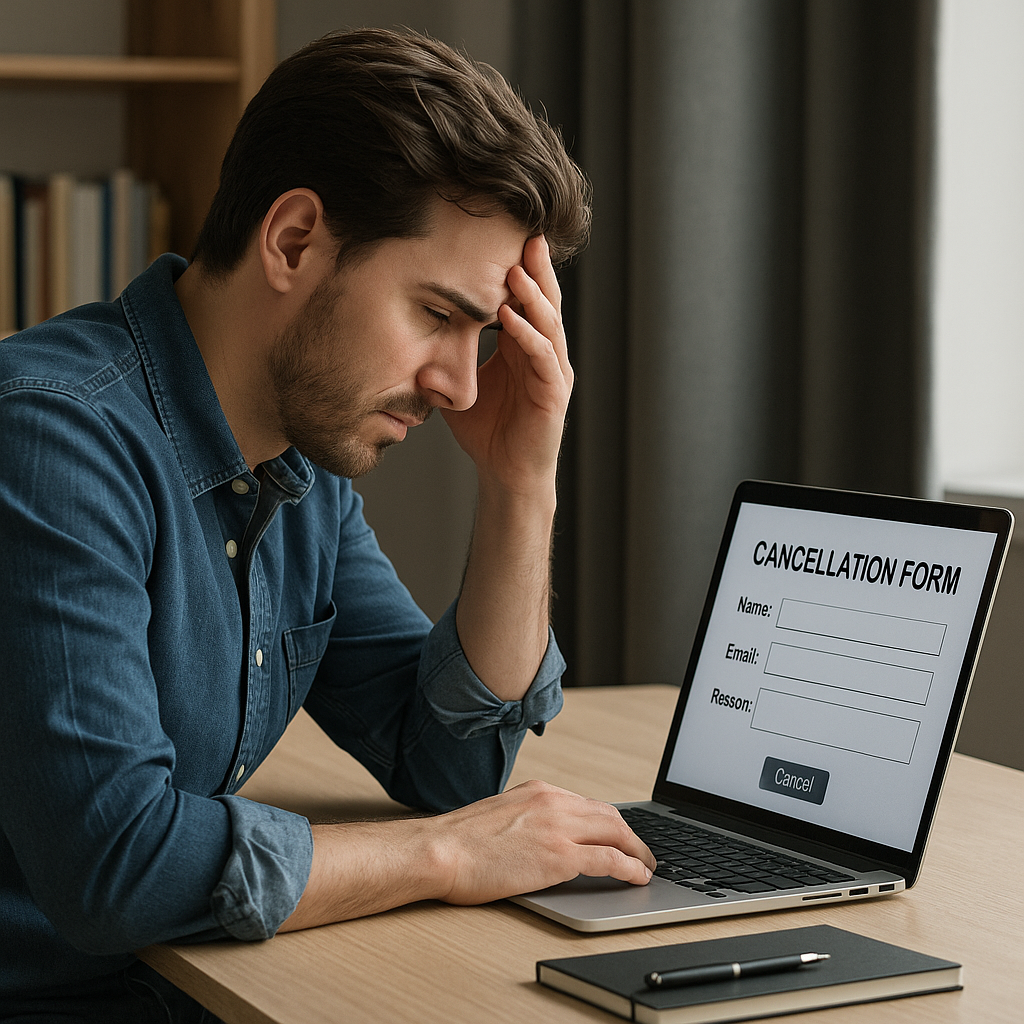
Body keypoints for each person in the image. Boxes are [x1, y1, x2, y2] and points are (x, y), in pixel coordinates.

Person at [0, 27, 655, 1022]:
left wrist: (523, 481)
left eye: (483, 333)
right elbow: (115, 864)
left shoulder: (295, 469)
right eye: (438, 313)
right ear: (294, 239)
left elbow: (445, 761)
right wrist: (444, 854)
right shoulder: (53, 441)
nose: (460, 382)